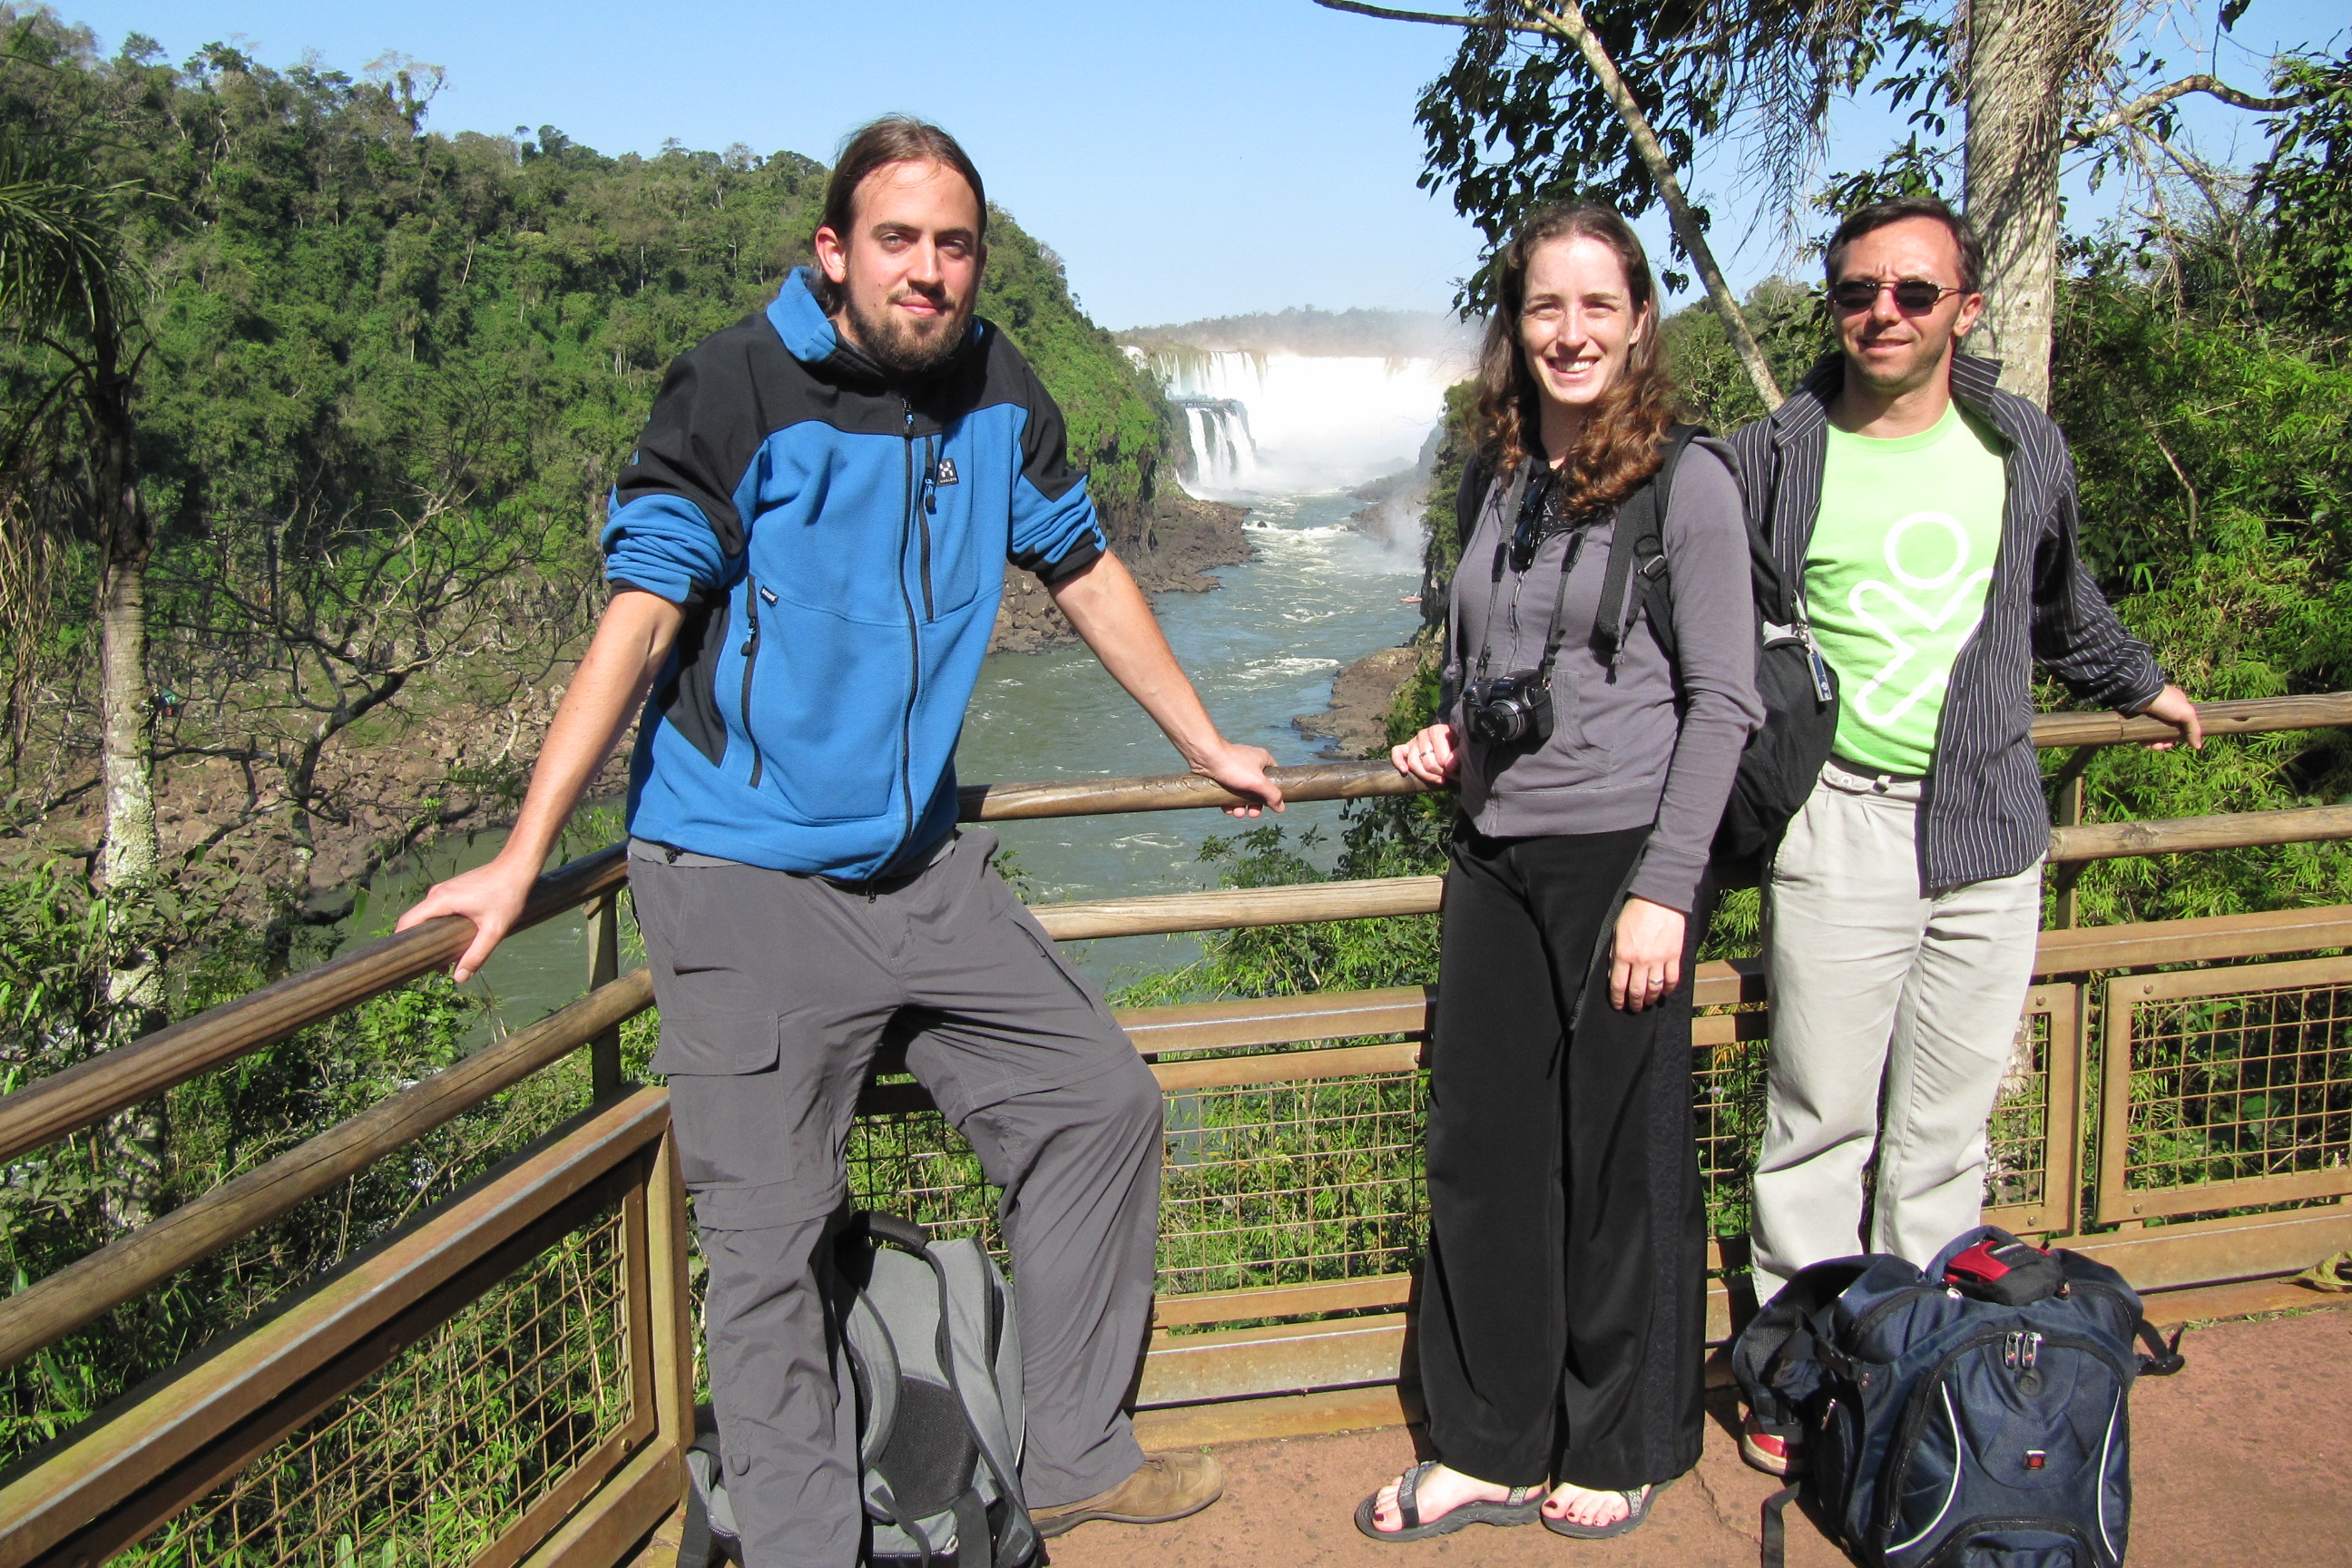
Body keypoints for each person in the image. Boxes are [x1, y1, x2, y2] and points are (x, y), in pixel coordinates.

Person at [398, 117, 1283, 1568]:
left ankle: (1070, 1453)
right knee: (770, 1245)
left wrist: (1203, 742)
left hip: (917, 869)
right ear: (834, 251)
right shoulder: (738, 384)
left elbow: (1082, 566)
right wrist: (521, 852)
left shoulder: (996, 386)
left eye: (954, 245)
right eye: (898, 241)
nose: (928, 271)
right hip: (740, 874)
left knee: (1098, 1103)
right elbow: (643, 613)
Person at [1729, 194, 2202, 1474]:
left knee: (1943, 1136)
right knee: (1819, 1121)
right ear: (1833, 307)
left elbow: (2056, 601)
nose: (1882, 313)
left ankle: (1919, 1372)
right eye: (1857, 292)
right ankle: (1795, 1372)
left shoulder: (2021, 444)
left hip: (1989, 826)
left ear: (1965, 309)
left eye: (1913, 292)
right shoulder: (1775, 455)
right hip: (1841, 817)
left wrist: (2142, 683)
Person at [1366, 201, 1764, 1543]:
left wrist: (1666, 886)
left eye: (1599, 305)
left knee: (1616, 1159)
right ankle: (1489, 1440)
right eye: (1548, 305)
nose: (1572, 331)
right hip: (1495, 850)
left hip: (1623, 858)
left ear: (1641, 321)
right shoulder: (1496, 474)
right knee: (1484, 1153)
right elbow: (1485, 651)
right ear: (1516, 325)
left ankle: (1619, 1439)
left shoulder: (1687, 482)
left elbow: (1723, 700)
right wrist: (1451, 729)